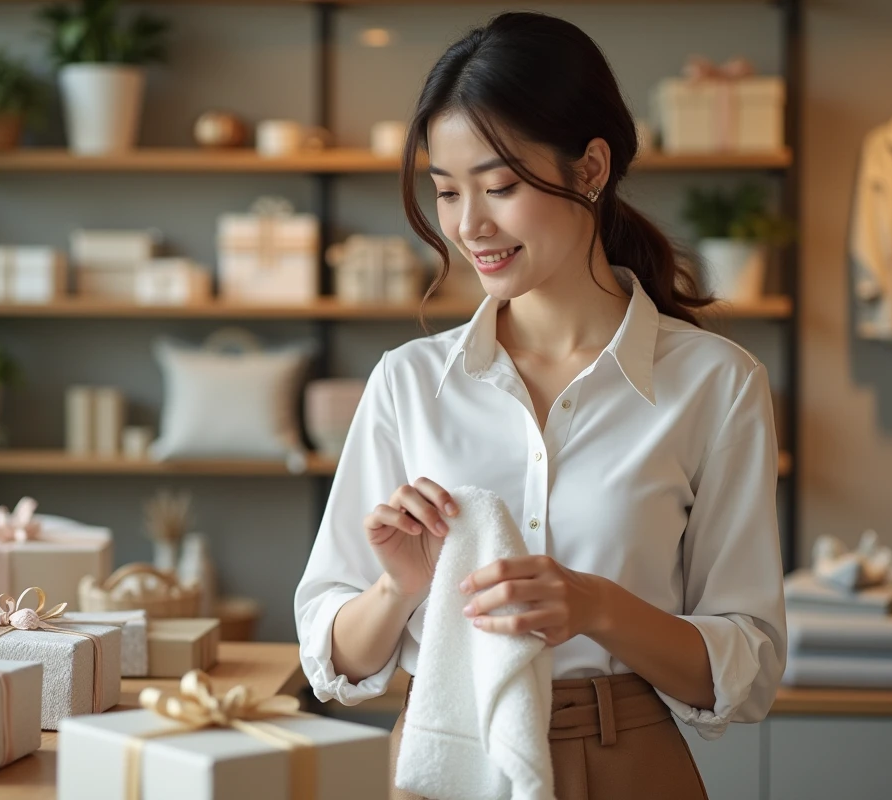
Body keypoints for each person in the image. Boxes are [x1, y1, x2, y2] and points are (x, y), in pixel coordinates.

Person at [294, 11, 787, 799]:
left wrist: (596, 605)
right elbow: (334, 663)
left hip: (625, 760)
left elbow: (746, 668)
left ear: (591, 167)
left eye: (500, 186)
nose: (468, 226)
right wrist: (397, 589)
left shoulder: (717, 384)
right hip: (443, 759)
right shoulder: (408, 382)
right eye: (447, 192)